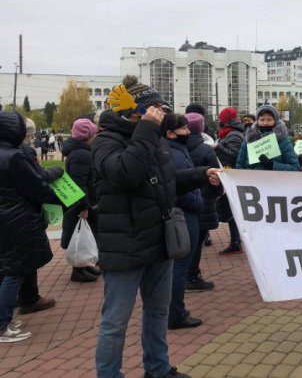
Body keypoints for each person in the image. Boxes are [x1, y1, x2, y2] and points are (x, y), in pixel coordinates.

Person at [92, 76, 221, 378]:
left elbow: (168, 183)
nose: (162, 114)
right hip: (124, 244)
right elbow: (126, 173)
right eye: (155, 109)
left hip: (158, 240)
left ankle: (158, 368)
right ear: (136, 111)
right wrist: (147, 131)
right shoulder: (106, 142)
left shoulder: (156, 139)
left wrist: (203, 174)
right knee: (115, 321)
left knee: (158, 311)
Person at [0, 112, 64, 343]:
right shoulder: (14, 156)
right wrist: (60, 200)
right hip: (18, 218)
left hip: (6, 218)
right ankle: (2, 323)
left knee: (6, 268)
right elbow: (37, 187)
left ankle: (5, 317)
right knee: (15, 271)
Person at [162, 113, 208, 330]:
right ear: (171, 133)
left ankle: (172, 311)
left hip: (182, 211)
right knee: (180, 266)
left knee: (177, 266)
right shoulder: (176, 154)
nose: (188, 133)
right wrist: (196, 202)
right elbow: (179, 187)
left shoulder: (174, 150)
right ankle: (176, 313)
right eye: (183, 130)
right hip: (184, 213)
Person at [61, 118, 101, 283]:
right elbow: (80, 183)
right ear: (88, 135)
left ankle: (85, 265)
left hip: (82, 201)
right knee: (80, 235)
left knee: (86, 233)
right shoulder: (81, 155)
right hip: (82, 203)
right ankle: (78, 270)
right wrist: (84, 206)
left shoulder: (79, 151)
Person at [185, 113, 220, 291]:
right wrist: (217, 193)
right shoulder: (206, 150)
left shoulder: (175, 147)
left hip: (182, 200)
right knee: (196, 240)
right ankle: (192, 276)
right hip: (203, 200)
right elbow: (217, 176)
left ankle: (183, 275)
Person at [214, 107, 246, 255]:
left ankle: (236, 242)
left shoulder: (234, 135)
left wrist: (217, 147)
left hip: (232, 175)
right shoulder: (230, 133)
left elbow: (235, 155)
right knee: (231, 209)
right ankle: (235, 241)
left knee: (233, 209)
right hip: (228, 173)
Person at [236, 105, 300, 172]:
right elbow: (239, 165)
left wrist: (272, 165)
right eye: (262, 120)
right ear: (257, 121)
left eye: (269, 120)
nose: (265, 123)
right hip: (251, 181)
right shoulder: (249, 139)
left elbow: (295, 168)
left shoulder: (283, 141)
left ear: (275, 121)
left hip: (275, 181)